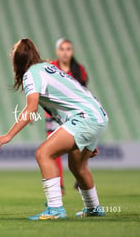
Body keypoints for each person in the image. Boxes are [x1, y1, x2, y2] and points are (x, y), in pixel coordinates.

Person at [0, 38, 108, 220]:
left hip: (86, 118)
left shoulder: (31, 74)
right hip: (97, 115)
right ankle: (93, 208)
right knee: (78, 166)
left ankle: (55, 209)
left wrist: (8, 136)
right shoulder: (47, 68)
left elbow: (31, 108)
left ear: (18, 59)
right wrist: (89, 134)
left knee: (43, 153)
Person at [45, 38, 89, 194]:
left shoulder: (79, 70)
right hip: (55, 115)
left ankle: (80, 177)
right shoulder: (51, 68)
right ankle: (59, 185)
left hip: (75, 115)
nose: (65, 52)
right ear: (57, 52)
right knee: (53, 151)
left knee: (78, 148)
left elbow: (84, 94)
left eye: (68, 49)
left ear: (72, 51)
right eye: (62, 49)